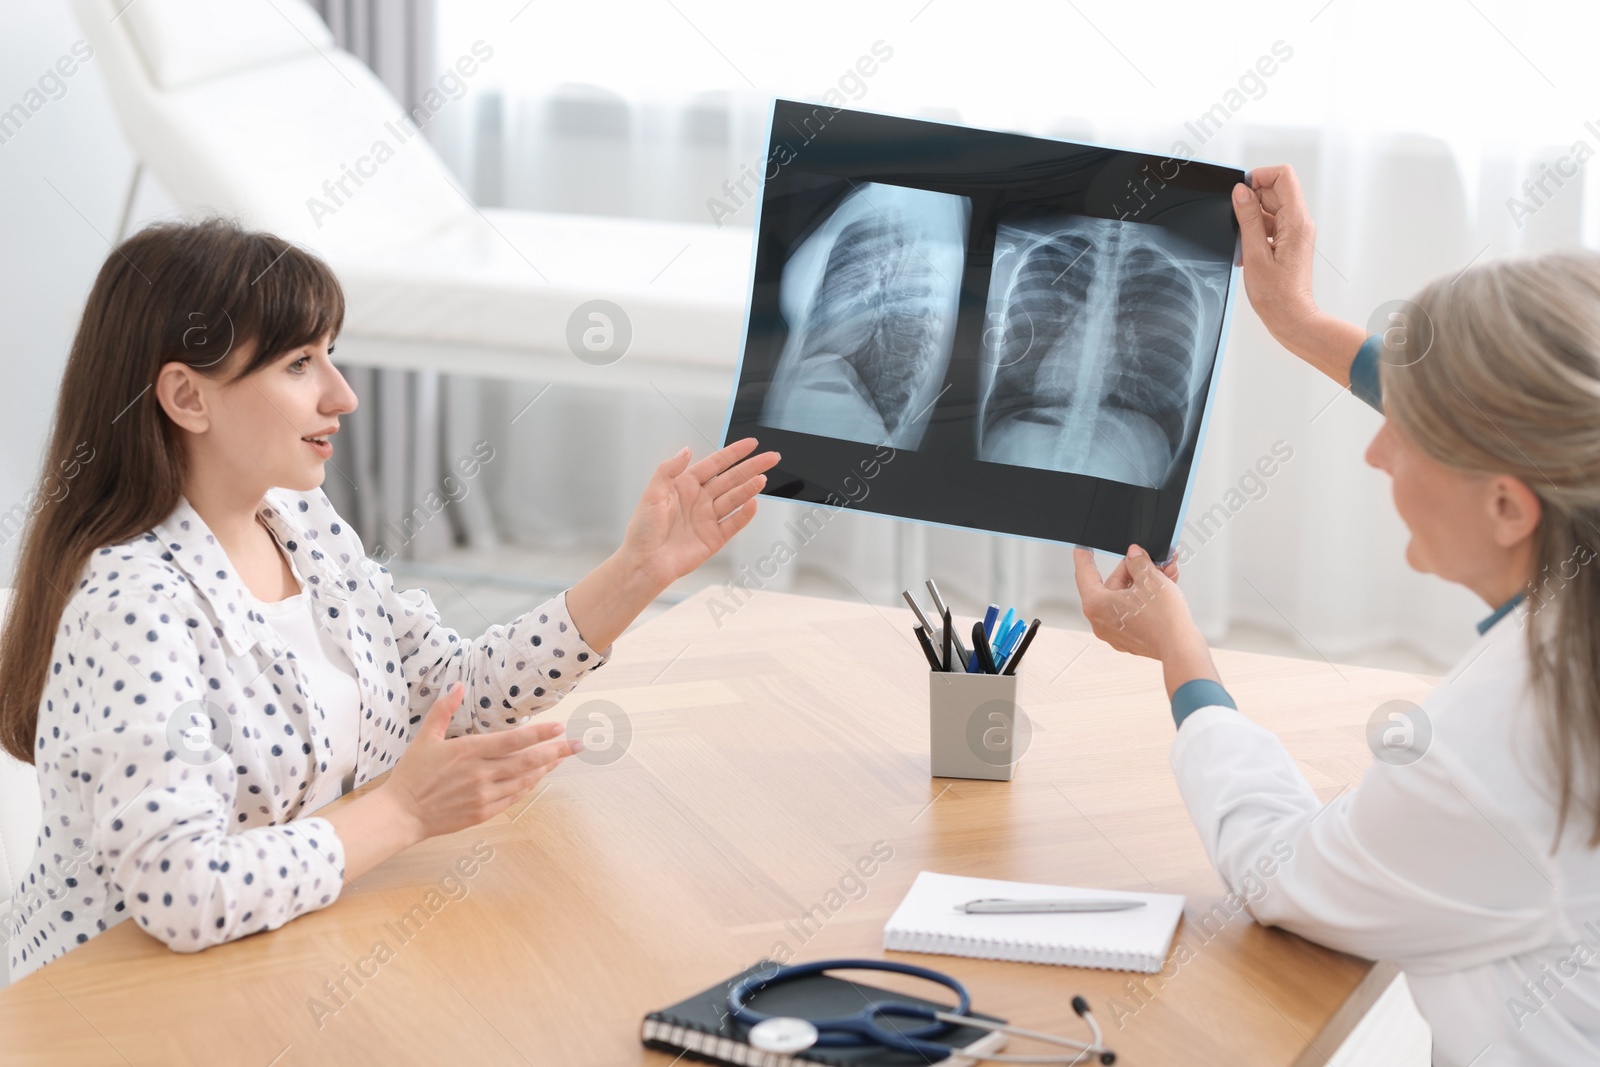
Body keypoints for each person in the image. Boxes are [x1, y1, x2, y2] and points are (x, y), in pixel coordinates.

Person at [0, 217, 780, 982]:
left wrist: (638, 570)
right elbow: (183, 890)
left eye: (329, 356)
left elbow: (451, 689)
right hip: (110, 1008)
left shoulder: (298, 520)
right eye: (300, 364)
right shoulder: (132, 604)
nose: (343, 396)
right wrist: (404, 810)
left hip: (274, 956)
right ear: (188, 397)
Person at [1074, 164, 1600, 1066]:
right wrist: (1297, 319)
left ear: (1511, 508)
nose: (1376, 450)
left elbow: (1280, 872)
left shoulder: (1505, 749)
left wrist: (1180, 652)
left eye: (1411, 430)